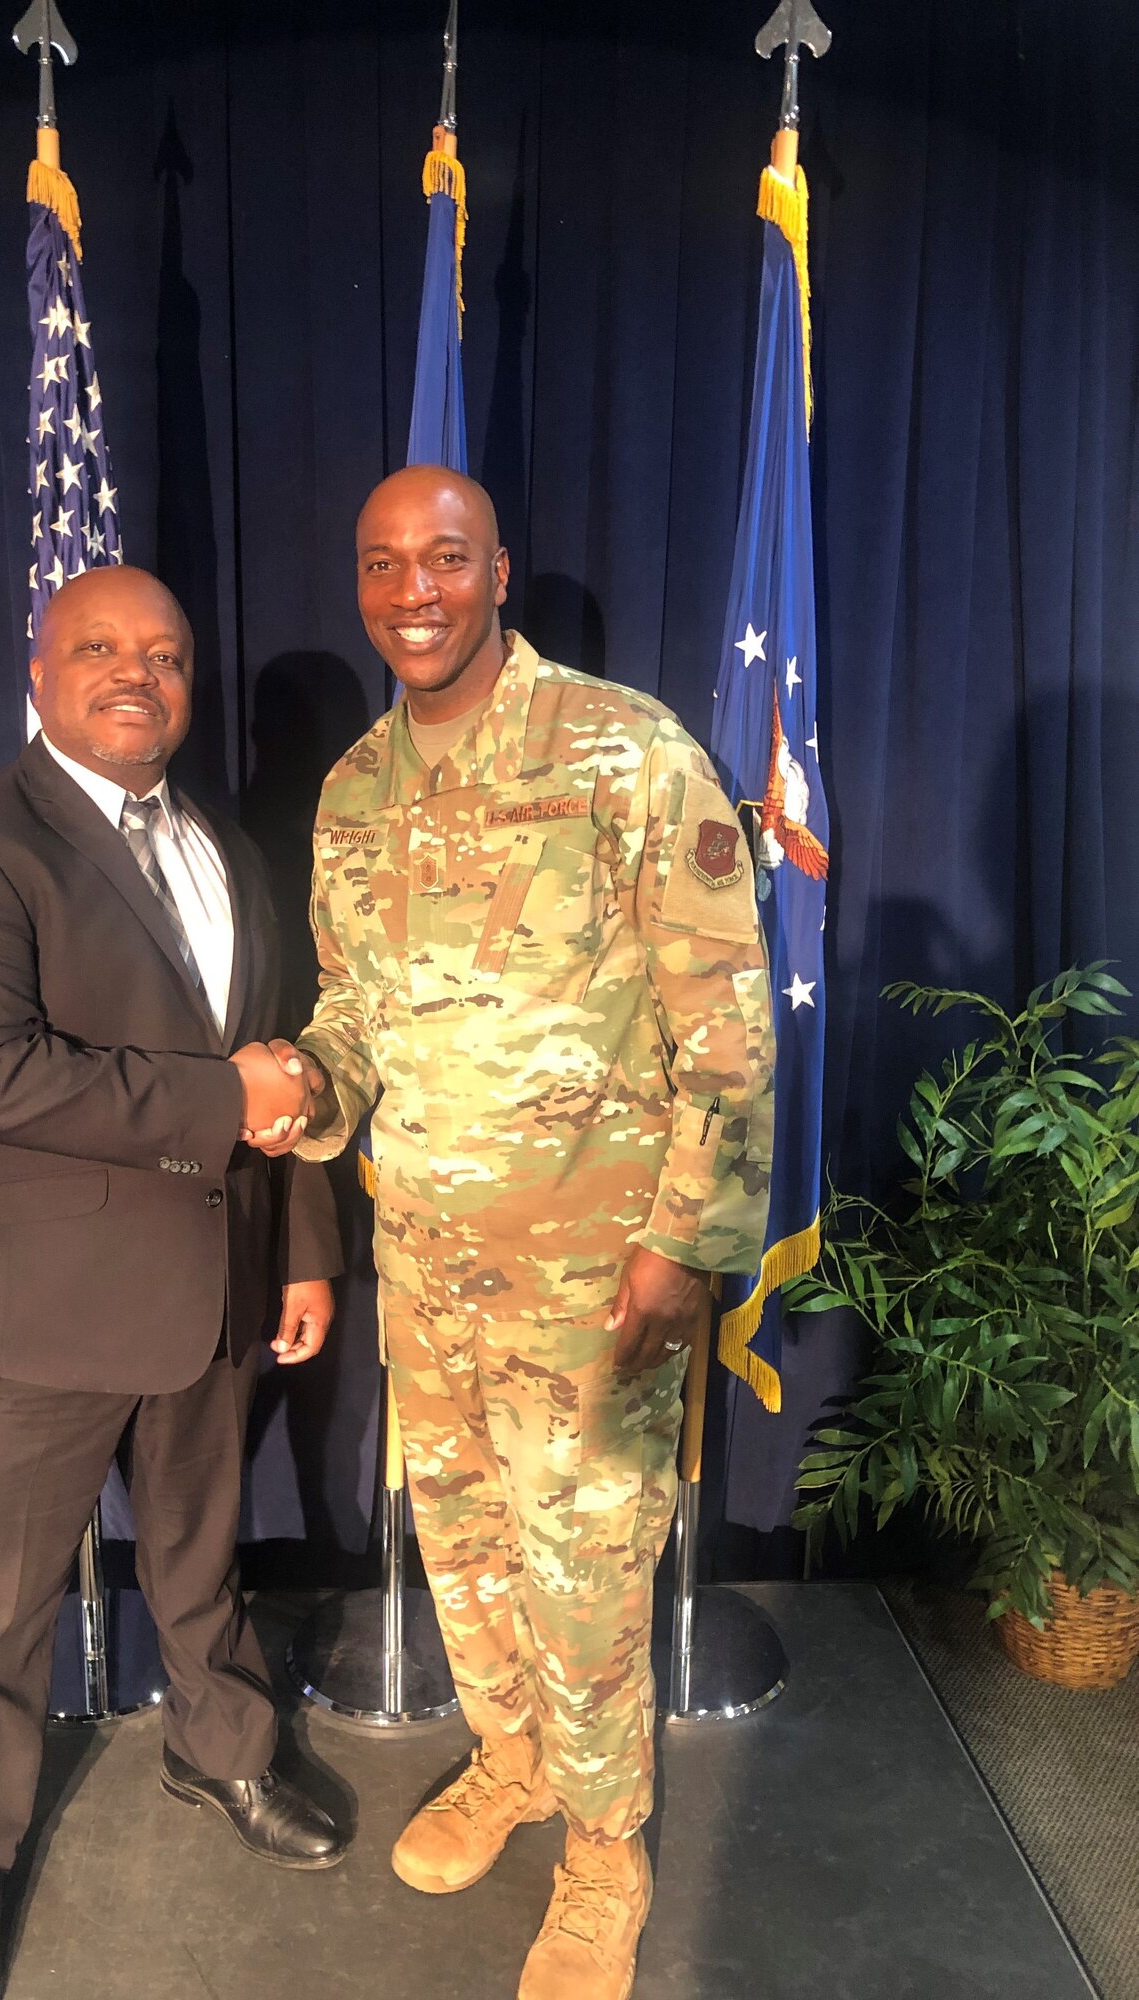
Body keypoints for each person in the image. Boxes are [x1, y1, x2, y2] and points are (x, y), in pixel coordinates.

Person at [281, 468, 775, 2000]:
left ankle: (607, 1845)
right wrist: (303, 1086)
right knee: (468, 1547)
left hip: (592, 1279)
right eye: (381, 564)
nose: (410, 590)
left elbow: (729, 1025)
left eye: (442, 558)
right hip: (428, 1266)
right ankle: (513, 1764)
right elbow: (353, 1017)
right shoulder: (355, 790)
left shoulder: (625, 751)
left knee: (584, 1567)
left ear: (500, 570)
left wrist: (687, 1244)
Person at [0, 565, 346, 2000]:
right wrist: (222, 1095)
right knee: (2, 1608)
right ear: (39, 671)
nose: (135, 671)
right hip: (38, 1312)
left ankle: (223, 1756)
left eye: (164, 653)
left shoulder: (222, 847)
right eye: (99, 648)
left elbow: (284, 1060)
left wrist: (309, 1248)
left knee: (203, 1559)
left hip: (213, 1294)